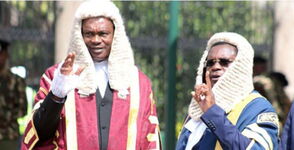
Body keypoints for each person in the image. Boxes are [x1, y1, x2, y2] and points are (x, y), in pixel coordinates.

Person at [21, 1, 160, 150]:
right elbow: (40, 133)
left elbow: (149, 138)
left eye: (103, 34)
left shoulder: (138, 82)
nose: (96, 40)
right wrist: (57, 94)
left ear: (115, 35)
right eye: (89, 34)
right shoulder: (56, 76)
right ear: (80, 35)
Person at [176, 32, 279, 150]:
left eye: (224, 62)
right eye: (210, 63)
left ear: (241, 65)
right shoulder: (197, 109)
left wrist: (212, 113)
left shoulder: (258, 107)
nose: (215, 67)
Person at [0, 38, 27, 149]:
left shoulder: (16, 81)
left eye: (1, 54)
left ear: (6, 56)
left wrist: (5, 118)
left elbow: (22, 109)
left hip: (8, 136)